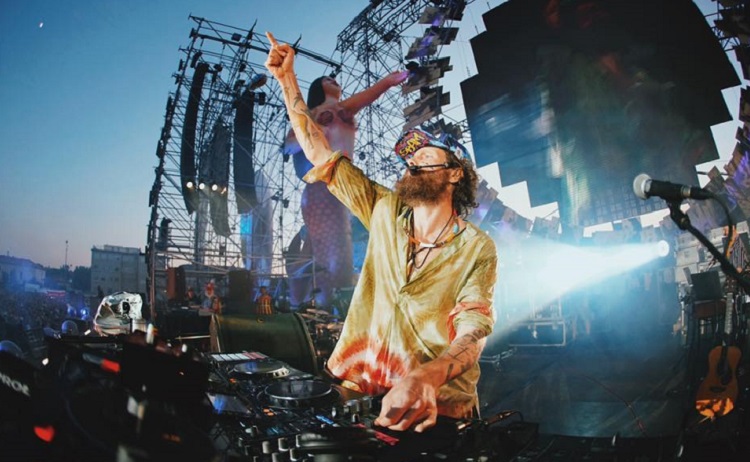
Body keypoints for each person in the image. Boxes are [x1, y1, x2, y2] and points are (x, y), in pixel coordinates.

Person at [265, 33, 498, 433]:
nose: (413, 164)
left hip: (433, 408)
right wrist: (287, 80)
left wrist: (428, 376)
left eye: (425, 156)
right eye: (410, 160)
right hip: (357, 387)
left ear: (455, 174)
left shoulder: (477, 247)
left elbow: (474, 328)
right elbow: (318, 151)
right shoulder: (383, 208)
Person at [283, 60, 408, 309]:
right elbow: (289, 146)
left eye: (333, 79)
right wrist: (314, 132)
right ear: (317, 89)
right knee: (335, 252)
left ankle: (304, 293)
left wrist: (388, 82)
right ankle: (327, 306)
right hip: (324, 184)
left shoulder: (341, 108)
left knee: (333, 247)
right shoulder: (310, 115)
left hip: (343, 181)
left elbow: (367, 97)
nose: (332, 80)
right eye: (325, 80)